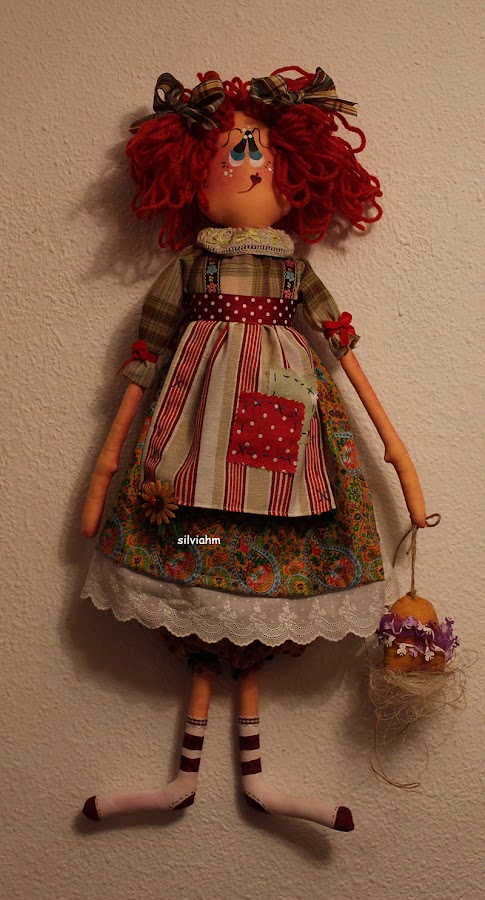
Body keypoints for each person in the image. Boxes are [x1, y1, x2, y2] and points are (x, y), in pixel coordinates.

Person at [81, 67, 426, 830]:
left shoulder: (292, 273)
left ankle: (254, 780)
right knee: (197, 546)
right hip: (191, 466)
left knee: (271, 546)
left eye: (255, 156)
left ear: (293, 175)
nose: (242, 168)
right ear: (191, 176)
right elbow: (145, 354)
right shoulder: (192, 266)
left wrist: (394, 446)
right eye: (226, 157)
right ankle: (183, 779)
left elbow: (341, 348)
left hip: (283, 441)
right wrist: (107, 465)